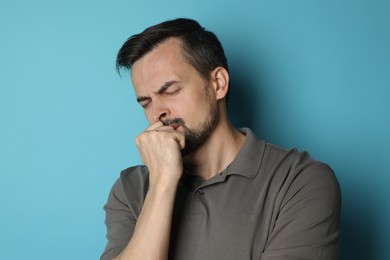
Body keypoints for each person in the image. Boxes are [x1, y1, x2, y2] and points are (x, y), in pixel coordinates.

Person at [101, 18, 341, 260]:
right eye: (146, 102)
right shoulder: (129, 189)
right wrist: (162, 182)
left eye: (171, 91)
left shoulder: (299, 181)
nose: (156, 113)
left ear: (218, 83)